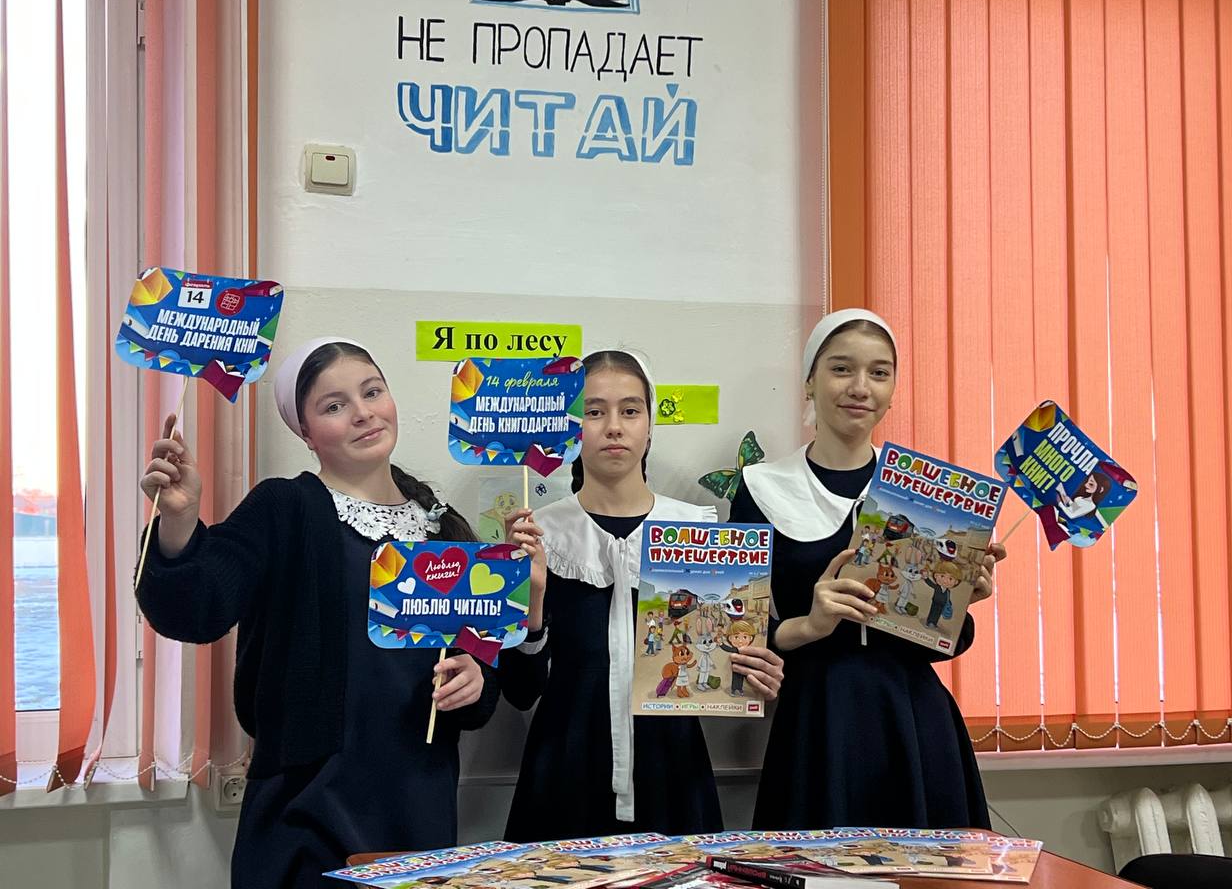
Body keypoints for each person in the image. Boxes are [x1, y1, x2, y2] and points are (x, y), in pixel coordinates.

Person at [135, 338, 500, 888]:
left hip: (418, 806)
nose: (363, 413)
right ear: (305, 432)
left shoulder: (442, 527)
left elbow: (481, 682)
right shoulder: (284, 507)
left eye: (372, 392)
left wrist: (475, 678)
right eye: (334, 405)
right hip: (307, 812)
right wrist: (179, 523)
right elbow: (195, 612)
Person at [729, 310, 1006, 830]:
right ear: (809, 381)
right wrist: (809, 625)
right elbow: (738, 633)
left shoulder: (925, 498)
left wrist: (956, 602)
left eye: (879, 373)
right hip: (818, 722)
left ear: (893, 390)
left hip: (914, 722)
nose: (860, 387)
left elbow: (940, 644)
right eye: (841, 369)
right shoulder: (763, 488)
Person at [499, 350, 785, 841]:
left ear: (650, 427)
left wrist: (756, 669)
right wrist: (533, 600)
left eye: (630, 410)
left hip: (671, 770)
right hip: (565, 770)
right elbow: (521, 692)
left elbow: (728, 656)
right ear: (571, 428)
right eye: (593, 411)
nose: (614, 427)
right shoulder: (538, 537)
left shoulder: (698, 533)